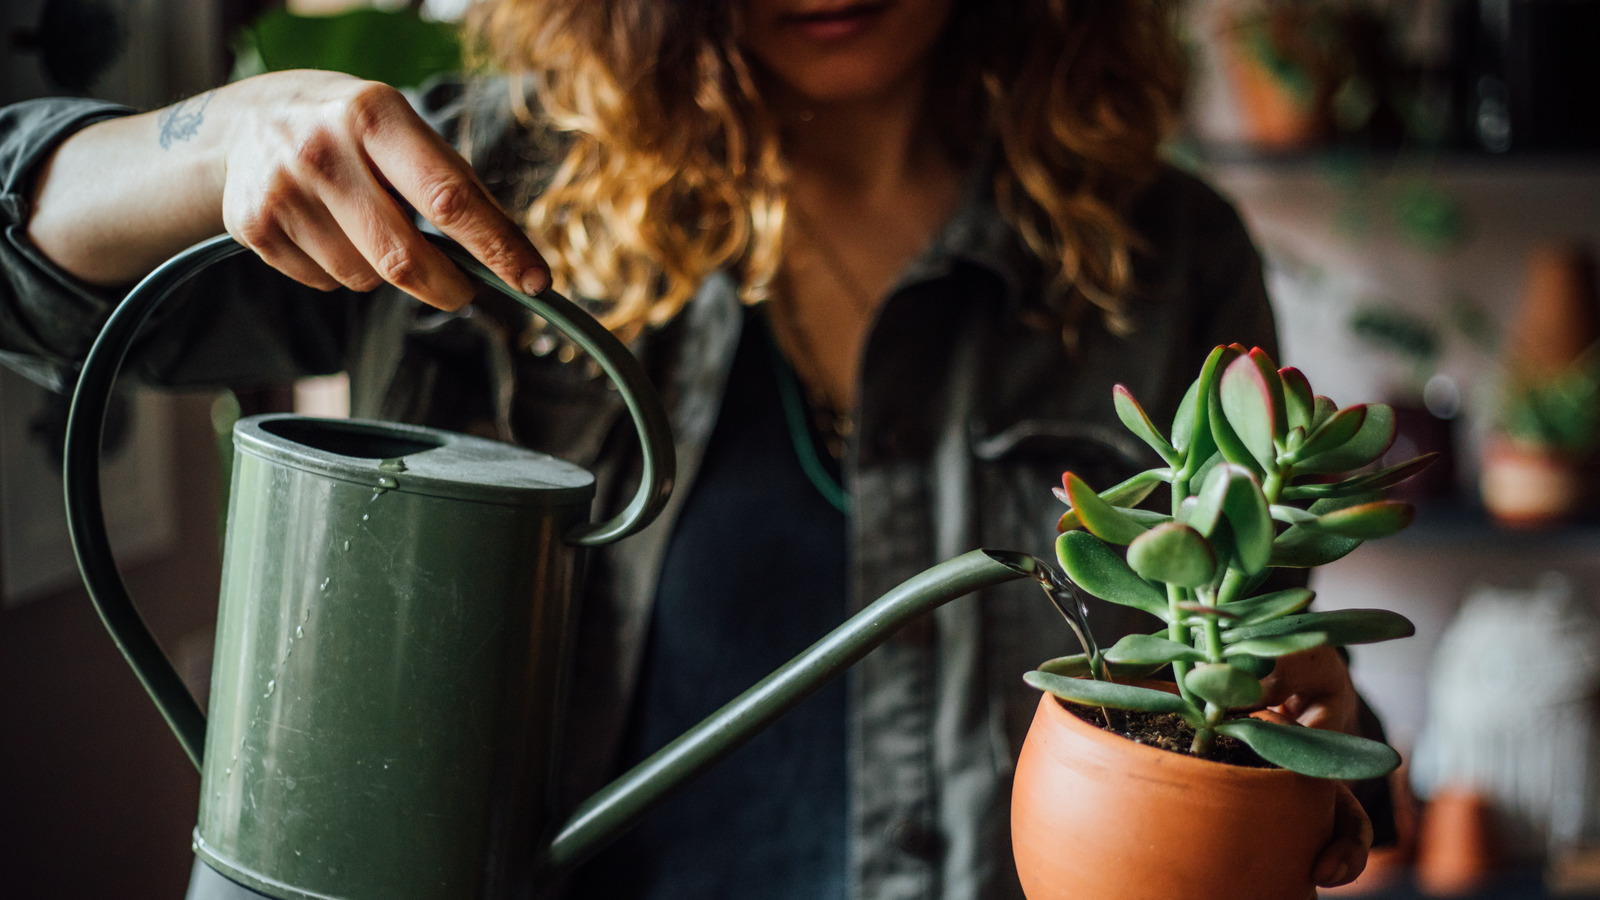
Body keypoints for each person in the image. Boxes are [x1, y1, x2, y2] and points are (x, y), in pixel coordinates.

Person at [1, 1, 1385, 897]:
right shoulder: (465, 192)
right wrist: (218, 136)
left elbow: (1284, 715)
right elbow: (24, 267)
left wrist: (1304, 736)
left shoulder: (1168, 259)